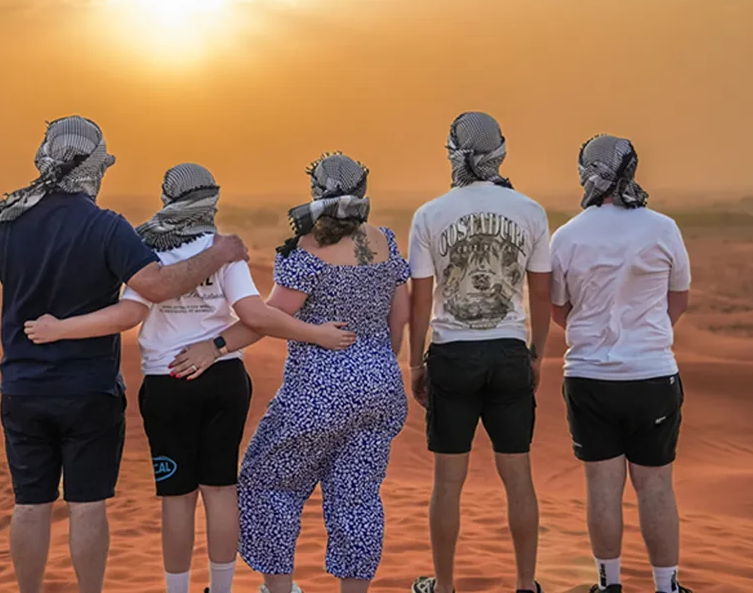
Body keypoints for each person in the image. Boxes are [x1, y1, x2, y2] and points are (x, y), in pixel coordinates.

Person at [20, 162, 357, 593]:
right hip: (223, 380)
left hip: (167, 382)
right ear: (210, 201)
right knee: (220, 489)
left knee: (177, 497)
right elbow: (255, 316)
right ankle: (221, 590)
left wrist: (59, 329)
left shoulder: (146, 252)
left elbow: (130, 314)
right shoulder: (224, 250)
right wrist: (316, 334)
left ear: (167, 197)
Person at [0, 117, 249, 593]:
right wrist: (218, 255)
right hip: (89, 390)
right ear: (95, 168)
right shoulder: (106, 226)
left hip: (24, 389)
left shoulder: (3, 221)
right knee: (87, 503)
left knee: (29, 503)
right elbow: (153, 285)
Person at [174, 152, 410, 593]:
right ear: (362, 190)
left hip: (317, 392)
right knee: (357, 497)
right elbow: (400, 314)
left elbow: (269, 318)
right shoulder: (386, 241)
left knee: (268, 484)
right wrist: (378, 359)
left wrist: (216, 346)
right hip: (380, 386)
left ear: (316, 194)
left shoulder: (310, 247)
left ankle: (279, 589)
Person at [408, 112, 554, 593]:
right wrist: (537, 354)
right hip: (510, 351)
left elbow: (421, 297)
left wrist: (416, 360)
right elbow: (540, 293)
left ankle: (444, 586)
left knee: (448, 482)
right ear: (500, 152)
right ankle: (526, 583)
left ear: (453, 152)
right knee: (518, 476)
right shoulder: (530, 211)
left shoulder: (430, 214)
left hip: (452, 353)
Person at [549, 135, 692, 593]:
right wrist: (649, 335)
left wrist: (592, 333)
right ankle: (667, 587)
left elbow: (558, 310)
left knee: (602, 487)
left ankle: (608, 585)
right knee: (655, 486)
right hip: (651, 375)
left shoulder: (568, 235)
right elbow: (679, 299)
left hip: (590, 377)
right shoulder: (663, 228)